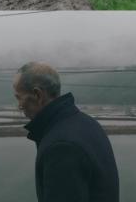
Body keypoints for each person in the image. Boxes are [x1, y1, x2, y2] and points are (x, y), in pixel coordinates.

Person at [13, 62, 119, 202]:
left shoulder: (61, 147)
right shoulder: (86, 123)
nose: (19, 106)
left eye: (19, 97)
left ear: (38, 95)